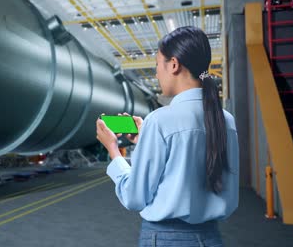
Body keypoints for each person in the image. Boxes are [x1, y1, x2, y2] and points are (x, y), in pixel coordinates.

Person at [96, 26, 239, 247]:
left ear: (173, 65)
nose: (156, 73)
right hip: (210, 237)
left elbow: (134, 198)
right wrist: (146, 137)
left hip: (164, 239)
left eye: (157, 65)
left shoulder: (160, 120)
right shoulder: (226, 120)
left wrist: (114, 152)